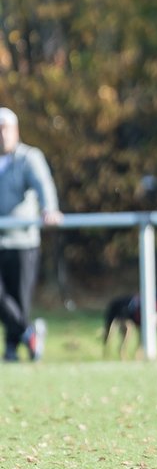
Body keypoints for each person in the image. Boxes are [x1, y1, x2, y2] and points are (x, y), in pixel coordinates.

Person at [0, 108, 62, 363]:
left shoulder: (28, 158)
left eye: (5, 128)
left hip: (23, 240)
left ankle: (13, 349)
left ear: (15, 130)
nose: (1, 135)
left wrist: (50, 208)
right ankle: (30, 332)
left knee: (19, 300)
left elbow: (43, 184)